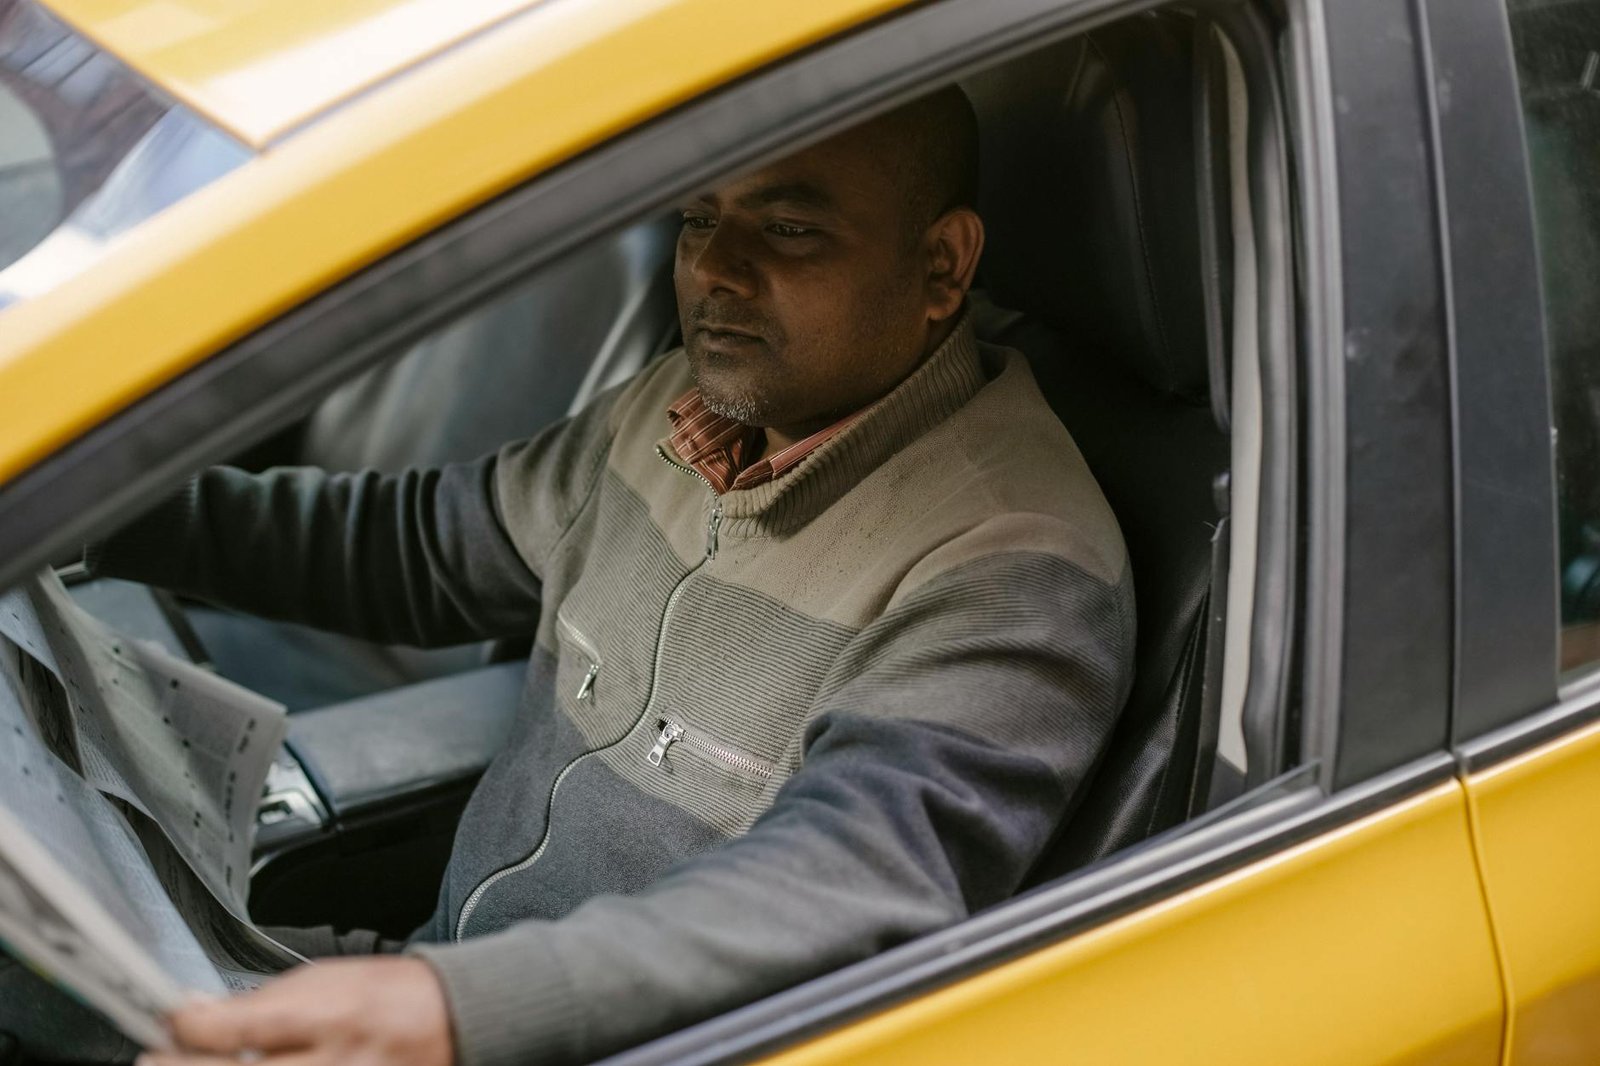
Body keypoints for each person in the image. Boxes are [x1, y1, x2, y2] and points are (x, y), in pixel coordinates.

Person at [81, 86, 1134, 1066]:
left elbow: (845, 883)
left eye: (788, 227)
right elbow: (418, 550)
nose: (713, 269)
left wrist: (457, 1011)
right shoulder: (684, 405)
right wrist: (93, 510)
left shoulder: (1014, 564)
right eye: (695, 217)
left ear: (944, 266)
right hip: (437, 971)